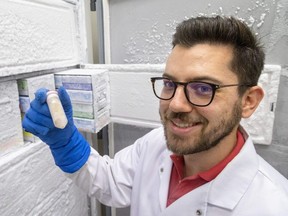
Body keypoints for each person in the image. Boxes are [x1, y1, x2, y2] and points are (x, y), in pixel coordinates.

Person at [23, 15, 288, 215]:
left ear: (248, 101)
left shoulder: (272, 205)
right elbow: (112, 182)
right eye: (170, 83)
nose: (176, 105)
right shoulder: (155, 144)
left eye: (203, 88)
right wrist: (66, 143)